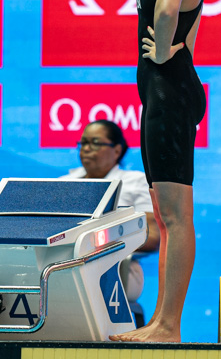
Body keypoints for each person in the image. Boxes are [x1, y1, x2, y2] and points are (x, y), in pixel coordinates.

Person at [111, 0, 205, 343]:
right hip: (165, 90)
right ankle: (162, 324)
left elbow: (169, 12)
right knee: (166, 216)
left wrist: (167, 54)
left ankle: (168, 326)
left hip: (169, 89)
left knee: (175, 217)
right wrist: (177, 53)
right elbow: (192, 20)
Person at [65, 120, 159, 303]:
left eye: (95, 143)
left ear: (117, 150)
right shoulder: (63, 183)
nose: (86, 148)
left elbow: (152, 236)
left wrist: (93, 242)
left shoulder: (136, 182)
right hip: (63, 263)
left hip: (117, 264)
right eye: (83, 143)